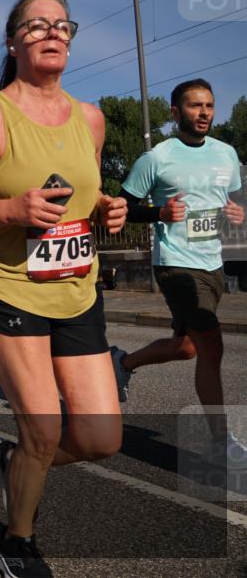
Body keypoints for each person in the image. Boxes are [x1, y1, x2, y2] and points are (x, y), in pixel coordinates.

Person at [0, 0, 128, 577]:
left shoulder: (90, 118)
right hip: (8, 289)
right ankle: (15, 541)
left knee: (100, 439)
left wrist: (107, 207)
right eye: (37, 25)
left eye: (62, 25)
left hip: (76, 291)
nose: (52, 33)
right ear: (12, 40)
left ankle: (16, 459)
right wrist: (12, 209)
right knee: (43, 430)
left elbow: (87, 192)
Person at [111, 78, 246, 468]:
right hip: (175, 263)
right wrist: (159, 212)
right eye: (194, 105)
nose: (204, 113)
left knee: (188, 348)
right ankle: (220, 443)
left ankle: (122, 363)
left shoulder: (226, 153)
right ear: (175, 113)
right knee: (213, 347)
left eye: (209, 105)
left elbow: (231, 200)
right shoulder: (156, 158)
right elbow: (121, 207)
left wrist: (236, 212)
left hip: (212, 262)